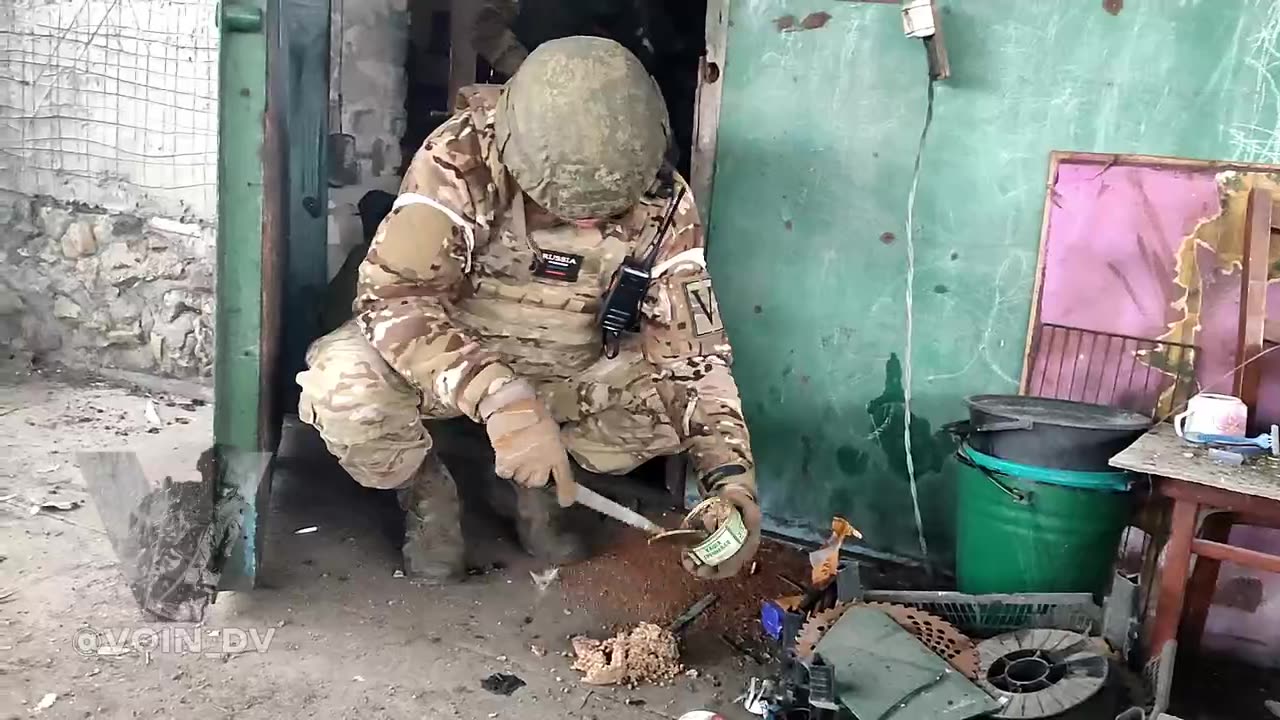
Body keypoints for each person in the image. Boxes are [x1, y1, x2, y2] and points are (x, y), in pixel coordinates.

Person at [296, 36, 758, 583]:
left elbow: (694, 360)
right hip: (446, 365)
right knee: (342, 387)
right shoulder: (462, 157)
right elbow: (394, 300)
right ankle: (426, 492)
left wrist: (731, 479)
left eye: (607, 212)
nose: (587, 225)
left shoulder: (662, 197)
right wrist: (500, 398)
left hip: (568, 370)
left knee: (667, 401)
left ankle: (535, 484)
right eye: (559, 205)